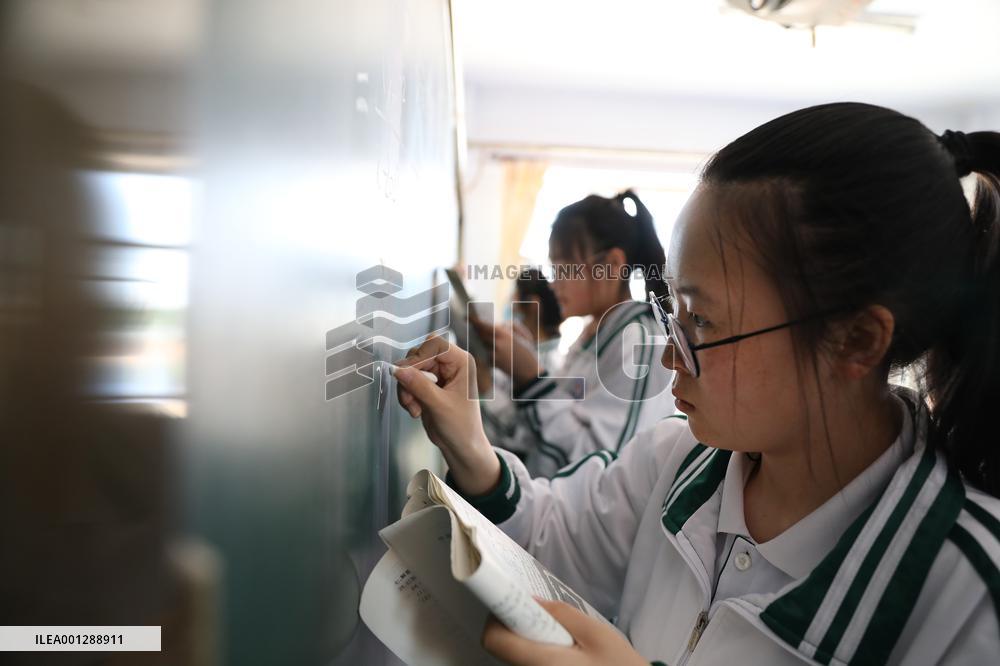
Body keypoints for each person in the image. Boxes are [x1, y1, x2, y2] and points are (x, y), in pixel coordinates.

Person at [394, 103, 1000, 665]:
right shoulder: (679, 460)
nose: (668, 360)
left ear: (857, 341)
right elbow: (549, 541)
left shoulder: (967, 596)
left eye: (703, 321)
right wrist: (472, 448)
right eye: (673, 312)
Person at [473, 191, 675, 477]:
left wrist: (531, 378)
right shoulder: (590, 338)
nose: (555, 284)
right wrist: (522, 366)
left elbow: (599, 468)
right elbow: (537, 436)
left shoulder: (640, 343)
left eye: (564, 268)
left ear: (612, 265)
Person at [480, 267, 565, 445]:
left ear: (533, 306)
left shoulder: (553, 367)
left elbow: (523, 438)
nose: (512, 302)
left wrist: (487, 388)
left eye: (516, 297)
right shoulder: (524, 348)